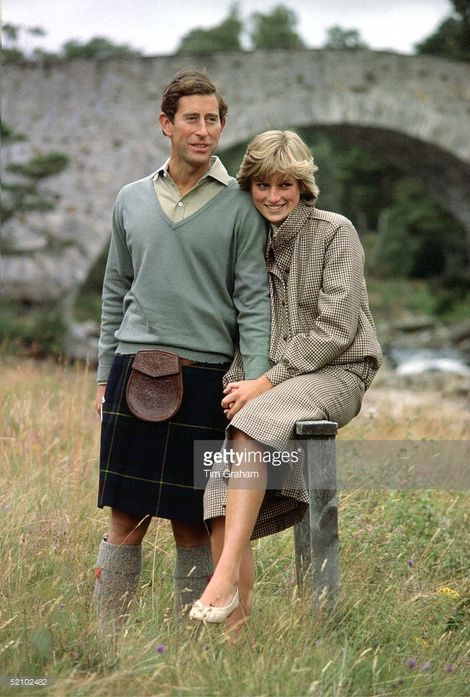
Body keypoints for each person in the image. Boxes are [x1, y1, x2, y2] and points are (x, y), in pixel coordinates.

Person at [93, 70, 271, 633]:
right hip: (134, 369)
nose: (202, 130)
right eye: (190, 118)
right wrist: (104, 375)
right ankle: (106, 639)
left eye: (212, 119)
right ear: (166, 124)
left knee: (193, 521)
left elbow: (254, 302)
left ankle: (187, 644)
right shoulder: (130, 199)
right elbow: (114, 290)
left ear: (223, 126)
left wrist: (258, 385)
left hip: (205, 379)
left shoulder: (242, 208)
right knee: (125, 518)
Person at [190, 130, 383, 630]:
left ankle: (223, 575)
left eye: (286, 185)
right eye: (262, 186)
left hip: (339, 371)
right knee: (215, 490)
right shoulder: (247, 238)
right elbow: (240, 324)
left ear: (303, 186)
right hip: (273, 385)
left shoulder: (334, 232)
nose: (273, 197)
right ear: (249, 188)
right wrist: (243, 380)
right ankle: (236, 635)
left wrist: (266, 382)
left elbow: (337, 328)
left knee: (252, 423)